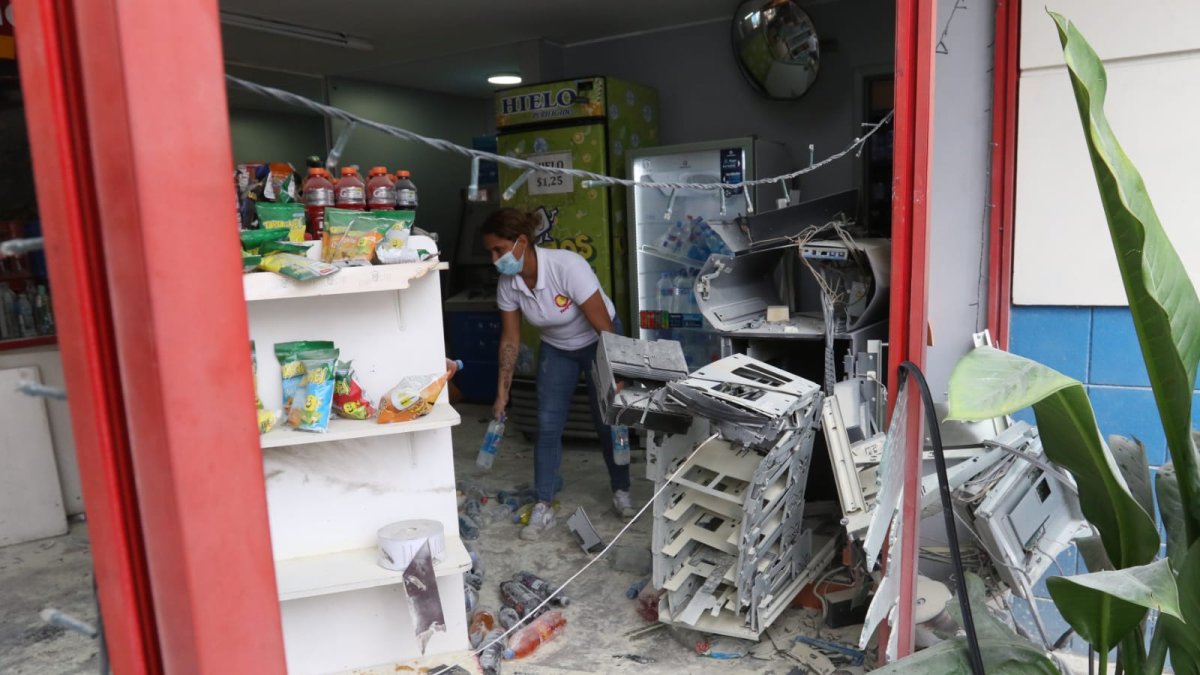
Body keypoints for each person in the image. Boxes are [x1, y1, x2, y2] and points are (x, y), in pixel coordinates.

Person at [483, 208, 633, 541]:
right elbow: (510, 340)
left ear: (521, 242)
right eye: (490, 252)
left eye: (498, 250)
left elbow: (604, 327)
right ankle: (543, 504)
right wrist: (502, 390)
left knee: (607, 419)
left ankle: (621, 490)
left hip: (598, 341)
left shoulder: (567, 267)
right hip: (556, 349)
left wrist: (616, 374)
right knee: (547, 425)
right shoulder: (509, 283)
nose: (495, 259)